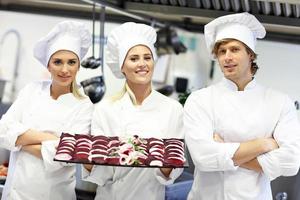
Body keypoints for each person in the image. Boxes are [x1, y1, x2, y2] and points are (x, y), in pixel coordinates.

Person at [184, 12, 300, 200]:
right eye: (222, 51)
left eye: (234, 49)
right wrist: (262, 144)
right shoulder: (200, 99)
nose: (227, 57)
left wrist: (225, 150)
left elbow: (291, 161)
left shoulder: (279, 101)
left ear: (250, 54)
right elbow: (203, 158)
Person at [82, 22, 184, 200]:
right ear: (121, 66)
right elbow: (101, 173)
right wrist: (87, 161)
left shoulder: (172, 108)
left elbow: (173, 171)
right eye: (134, 58)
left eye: (147, 57)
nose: (142, 64)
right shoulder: (105, 109)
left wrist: (168, 164)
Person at [0, 21, 93, 200]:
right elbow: (2, 130)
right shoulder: (31, 90)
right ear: (48, 65)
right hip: (14, 194)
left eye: (71, 62)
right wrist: (54, 140)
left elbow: (66, 155)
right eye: (58, 62)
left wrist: (18, 140)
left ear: (78, 66)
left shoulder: (84, 106)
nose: (65, 69)